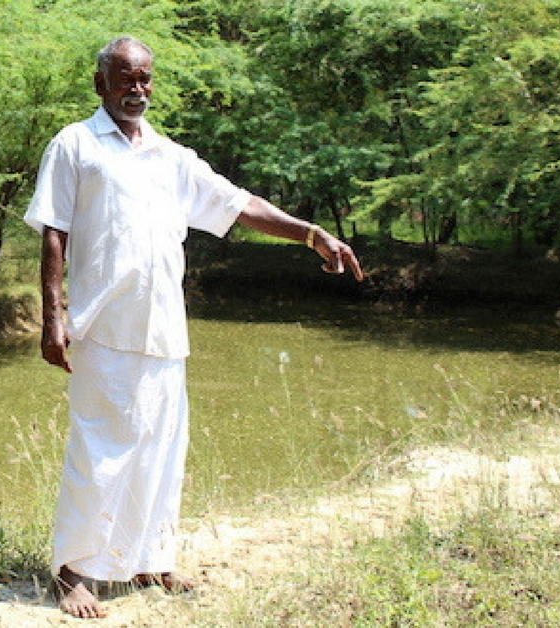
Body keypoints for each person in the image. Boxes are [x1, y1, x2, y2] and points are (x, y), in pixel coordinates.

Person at [24, 36, 364, 619]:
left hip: (162, 325)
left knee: (162, 444)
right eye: (126, 79)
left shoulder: (169, 156)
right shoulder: (75, 145)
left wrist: (312, 233)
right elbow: (54, 232)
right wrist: (53, 318)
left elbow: (239, 205)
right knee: (101, 447)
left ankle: (149, 558)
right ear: (99, 83)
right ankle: (75, 570)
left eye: (145, 79)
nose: (137, 89)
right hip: (102, 325)